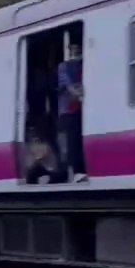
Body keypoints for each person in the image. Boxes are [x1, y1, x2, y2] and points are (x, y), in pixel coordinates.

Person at [56, 43, 88, 182]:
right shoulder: (64, 66)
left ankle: (83, 169)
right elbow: (68, 85)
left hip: (82, 107)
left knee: (81, 138)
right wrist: (79, 94)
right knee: (73, 140)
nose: (76, 51)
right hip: (69, 108)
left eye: (78, 48)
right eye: (73, 48)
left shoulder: (84, 64)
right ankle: (76, 172)